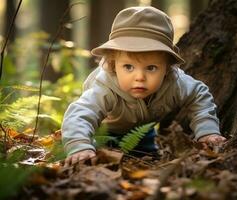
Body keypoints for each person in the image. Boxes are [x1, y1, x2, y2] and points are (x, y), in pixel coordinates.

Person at [62, 6, 226, 167]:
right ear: (113, 65)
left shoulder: (175, 83)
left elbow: (199, 94)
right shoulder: (104, 88)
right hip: (102, 133)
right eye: (128, 67)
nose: (139, 77)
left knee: (149, 159)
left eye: (151, 68)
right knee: (95, 160)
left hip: (142, 133)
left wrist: (207, 131)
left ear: (167, 68)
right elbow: (81, 114)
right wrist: (79, 146)